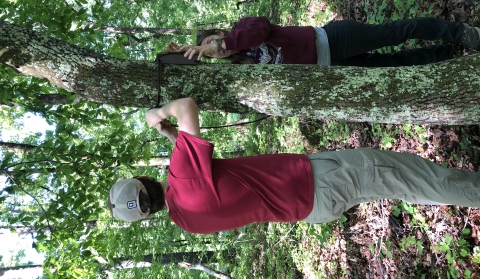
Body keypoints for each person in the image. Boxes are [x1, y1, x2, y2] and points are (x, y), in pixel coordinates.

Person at [107, 98, 480, 234]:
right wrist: (158, 114)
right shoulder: (181, 176)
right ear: (144, 179)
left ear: (148, 213)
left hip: (312, 208)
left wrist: (171, 135)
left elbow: (208, 174)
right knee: (418, 180)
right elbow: (187, 105)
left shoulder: (188, 221)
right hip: (320, 180)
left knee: (406, 184)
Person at [166, 17, 480, 67]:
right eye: (210, 51)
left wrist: (214, 46)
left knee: (396, 32)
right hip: (332, 67)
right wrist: (187, 56)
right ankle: (447, 54)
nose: (214, 49)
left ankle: (460, 33)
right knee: (392, 65)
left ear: (219, 34)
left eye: (212, 41)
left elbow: (259, 30)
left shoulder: (243, 28)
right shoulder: (243, 68)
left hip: (333, 38)